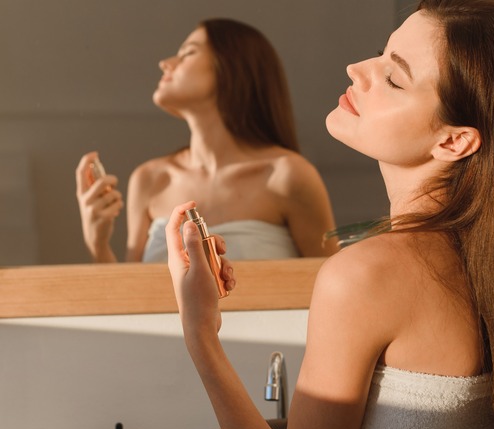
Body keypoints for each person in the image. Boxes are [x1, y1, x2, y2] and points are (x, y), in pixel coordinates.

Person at [166, 1, 494, 429]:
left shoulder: (363, 277)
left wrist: (200, 333)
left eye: (394, 78)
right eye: (382, 51)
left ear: (454, 141)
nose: (358, 70)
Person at [75, 18, 338, 263]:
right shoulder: (150, 179)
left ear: (232, 66)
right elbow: (130, 297)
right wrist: (97, 243)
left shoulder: (289, 176)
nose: (165, 63)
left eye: (188, 52)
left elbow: (328, 286)